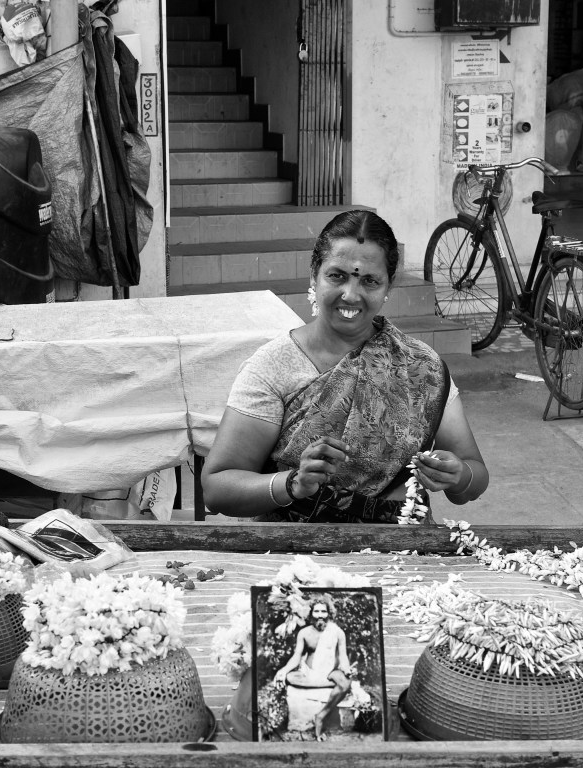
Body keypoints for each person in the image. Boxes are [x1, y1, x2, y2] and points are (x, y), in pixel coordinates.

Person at [201, 210, 489, 523]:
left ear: (388, 287)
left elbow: (474, 476)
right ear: (314, 275)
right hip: (296, 560)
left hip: (402, 558)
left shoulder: (421, 368)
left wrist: (458, 476)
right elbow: (217, 489)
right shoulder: (273, 367)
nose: (351, 295)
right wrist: (293, 483)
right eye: (337, 276)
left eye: (370, 281)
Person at [274, 596, 351, 740]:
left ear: (329, 613)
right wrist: (283, 670)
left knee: (346, 682)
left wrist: (346, 669)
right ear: (311, 613)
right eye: (317, 611)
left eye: (323, 611)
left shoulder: (337, 632)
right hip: (309, 673)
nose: (320, 615)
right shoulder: (304, 633)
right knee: (289, 677)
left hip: (330, 672)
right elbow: (297, 656)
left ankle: (321, 716)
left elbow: (343, 656)